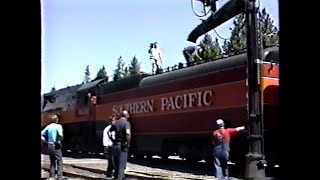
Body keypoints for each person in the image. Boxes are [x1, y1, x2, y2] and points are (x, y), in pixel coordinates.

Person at [41, 114, 64, 180]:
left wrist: (45, 141)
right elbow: (60, 135)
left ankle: (52, 176)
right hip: (56, 145)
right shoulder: (58, 126)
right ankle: (60, 176)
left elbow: (41, 134)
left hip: (49, 145)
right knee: (59, 160)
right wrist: (59, 140)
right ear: (56, 119)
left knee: (52, 161)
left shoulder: (48, 126)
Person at [110, 110, 131, 180]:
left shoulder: (116, 123)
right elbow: (128, 134)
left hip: (115, 145)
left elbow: (109, 132)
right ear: (126, 116)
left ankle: (115, 177)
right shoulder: (126, 123)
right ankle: (120, 178)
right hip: (122, 146)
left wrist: (112, 140)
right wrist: (128, 143)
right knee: (121, 165)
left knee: (116, 164)